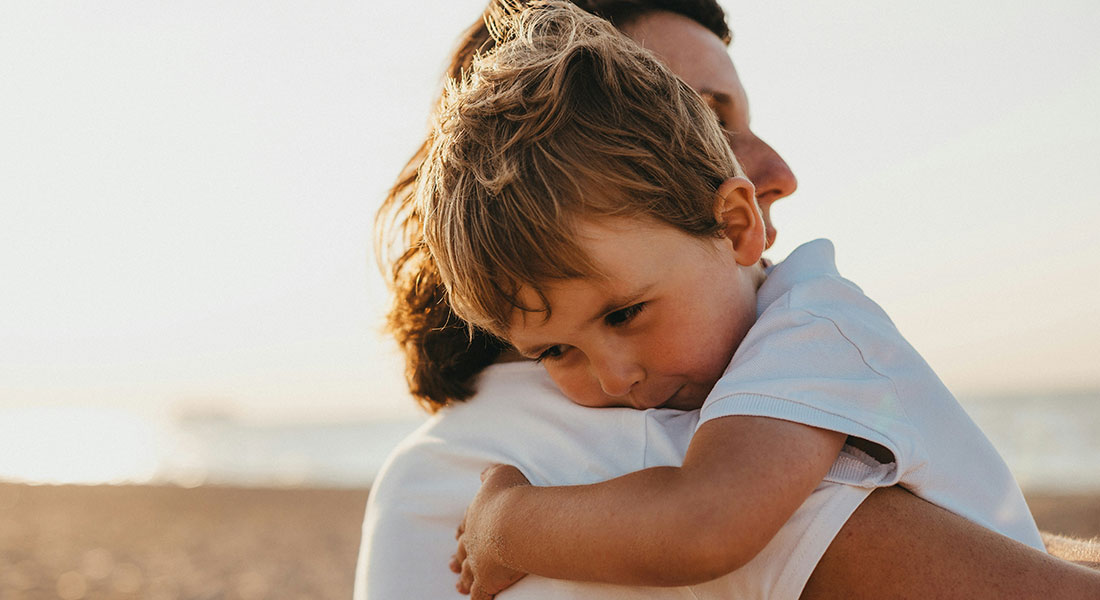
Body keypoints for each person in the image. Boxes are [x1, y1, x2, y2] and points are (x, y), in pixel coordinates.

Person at [355, 2, 1100, 599]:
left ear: (734, 223)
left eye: (623, 315)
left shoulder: (805, 331)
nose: (612, 380)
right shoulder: (629, 432)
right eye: (707, 118)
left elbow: (707, 518)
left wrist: (509, 523)